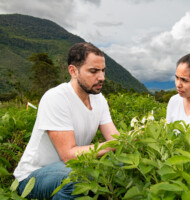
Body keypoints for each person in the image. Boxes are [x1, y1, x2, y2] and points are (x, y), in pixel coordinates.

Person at [14, 42, 119, 199]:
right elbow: (69, 155)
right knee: (77, 177)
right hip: (33, 176)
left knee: (120, 166)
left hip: (69, 168)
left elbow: (116, 139)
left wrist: (133, 139)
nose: (101, 77)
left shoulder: (99, 99)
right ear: (73, 71)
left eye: (103, 71)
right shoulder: (56, 98)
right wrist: (115, 145)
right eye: (93, 71)